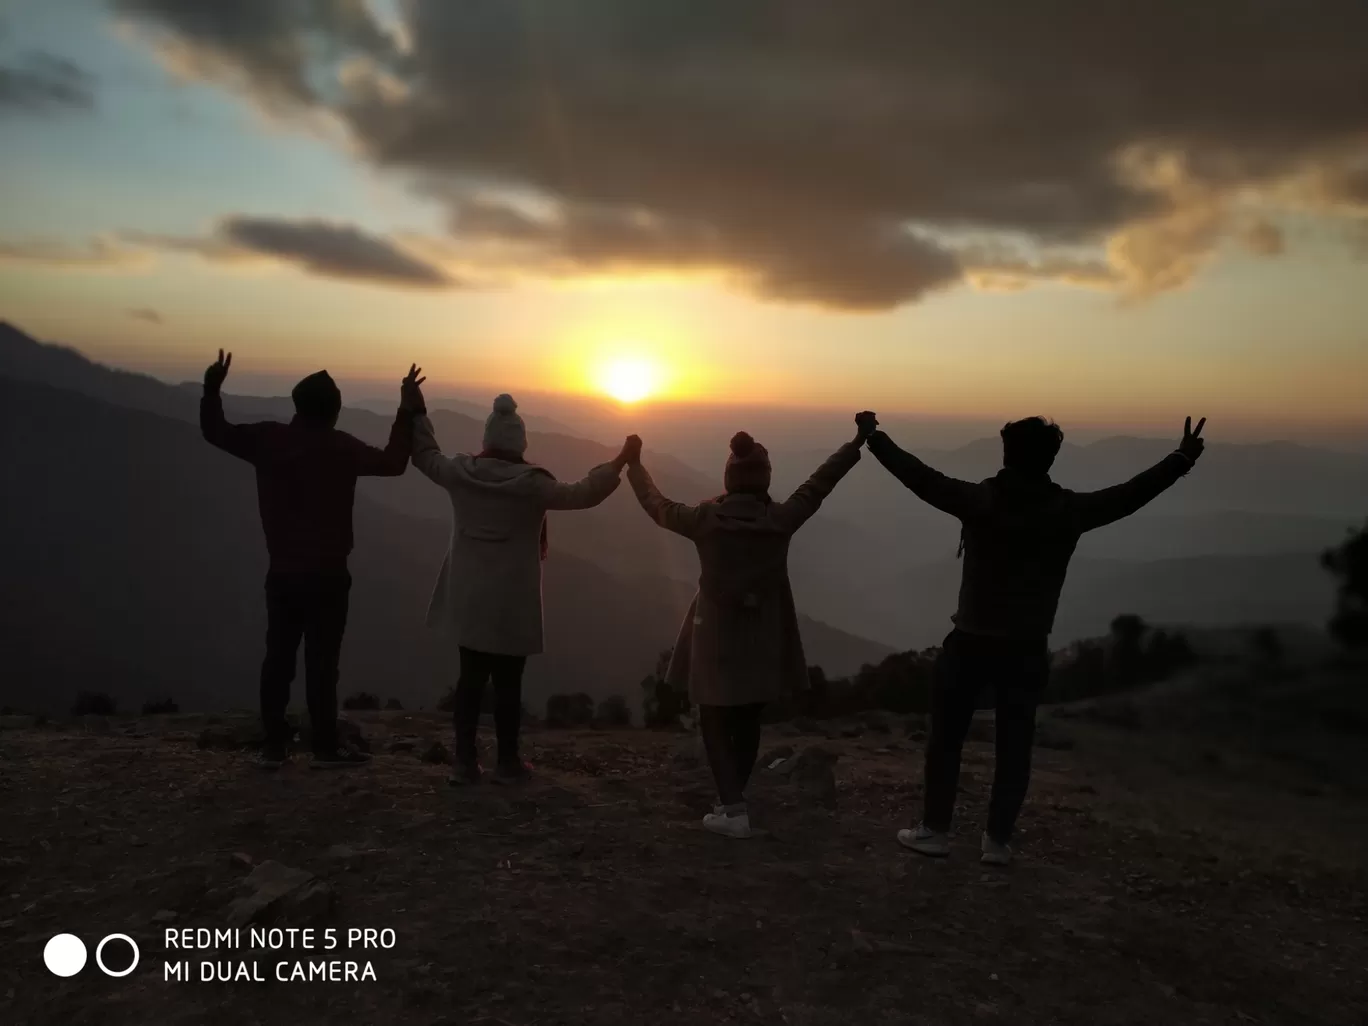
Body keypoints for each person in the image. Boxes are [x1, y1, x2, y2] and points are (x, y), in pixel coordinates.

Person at [858, 411, 1207, 864]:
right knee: (1015, 743)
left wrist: (874, 438)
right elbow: (1129, 496)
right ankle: (997, 841)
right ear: (1050, 459)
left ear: (1006, 452)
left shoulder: (980, 501)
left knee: (946, 739)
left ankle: (935, 831)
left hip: (970, 641)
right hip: (1026, 647)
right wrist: (1180, 459)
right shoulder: (1068, 511)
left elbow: (918, 477)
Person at [625, 424, 872, 838]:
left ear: (728, 478)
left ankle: (733, 808)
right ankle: (732, 798)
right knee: (747, 717)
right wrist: (854, 444)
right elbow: (819, 483)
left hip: (714, 636)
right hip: (764, 637)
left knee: (715, 719)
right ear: (765, 479)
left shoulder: (705, 518)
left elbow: (657, 505)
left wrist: (634, 466)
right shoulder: (781, 519)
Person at [200, 350, 426, 769]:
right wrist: (406, 409)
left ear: (297, 404)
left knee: (278, 659)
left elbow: (215, 431)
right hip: (329, 576)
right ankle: (323, 745)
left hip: (283, 573)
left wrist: (212, 388)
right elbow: (395, 463)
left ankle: (274, 743)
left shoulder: (267, 440)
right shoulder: (341, 448)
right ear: (335, 411)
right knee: (322, 666)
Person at [409, 391, 632, 785]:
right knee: (509, 683)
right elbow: (583, 493)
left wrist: (418, 411)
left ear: (486, 439)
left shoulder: (462, 474)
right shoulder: (533, 485)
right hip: (512, 602)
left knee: (470, 680)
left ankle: (464, 762)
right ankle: (508, 762)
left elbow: (425, 455)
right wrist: (619, 462)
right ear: (521, 443)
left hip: (468, 599)